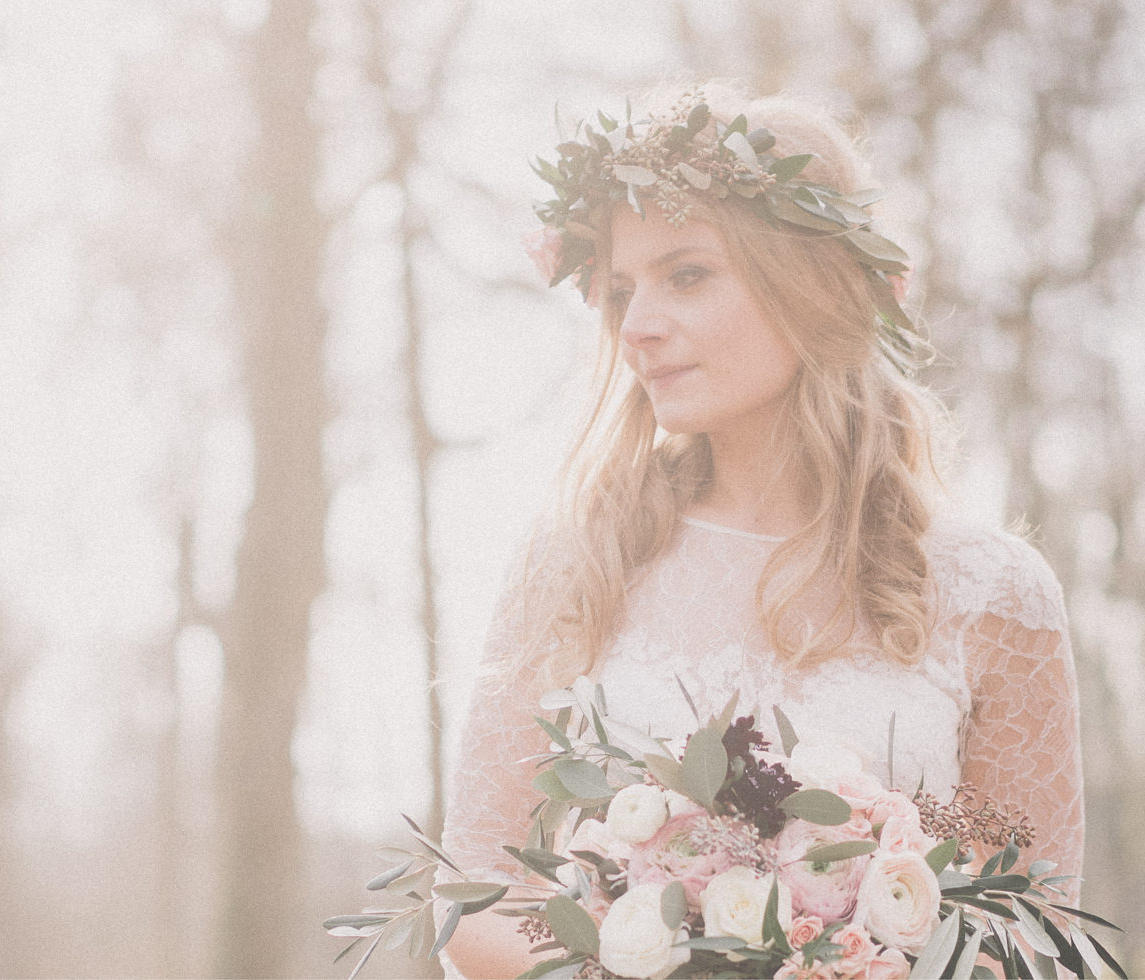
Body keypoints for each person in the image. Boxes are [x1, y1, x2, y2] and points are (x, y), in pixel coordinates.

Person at [438, 81, 1084, 978]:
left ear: (814, 283)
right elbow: (475, 895)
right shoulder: (579, 564)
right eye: (622, 289)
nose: (638, 326)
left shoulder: (989, 596)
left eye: (687, 274)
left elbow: (1029, 920)